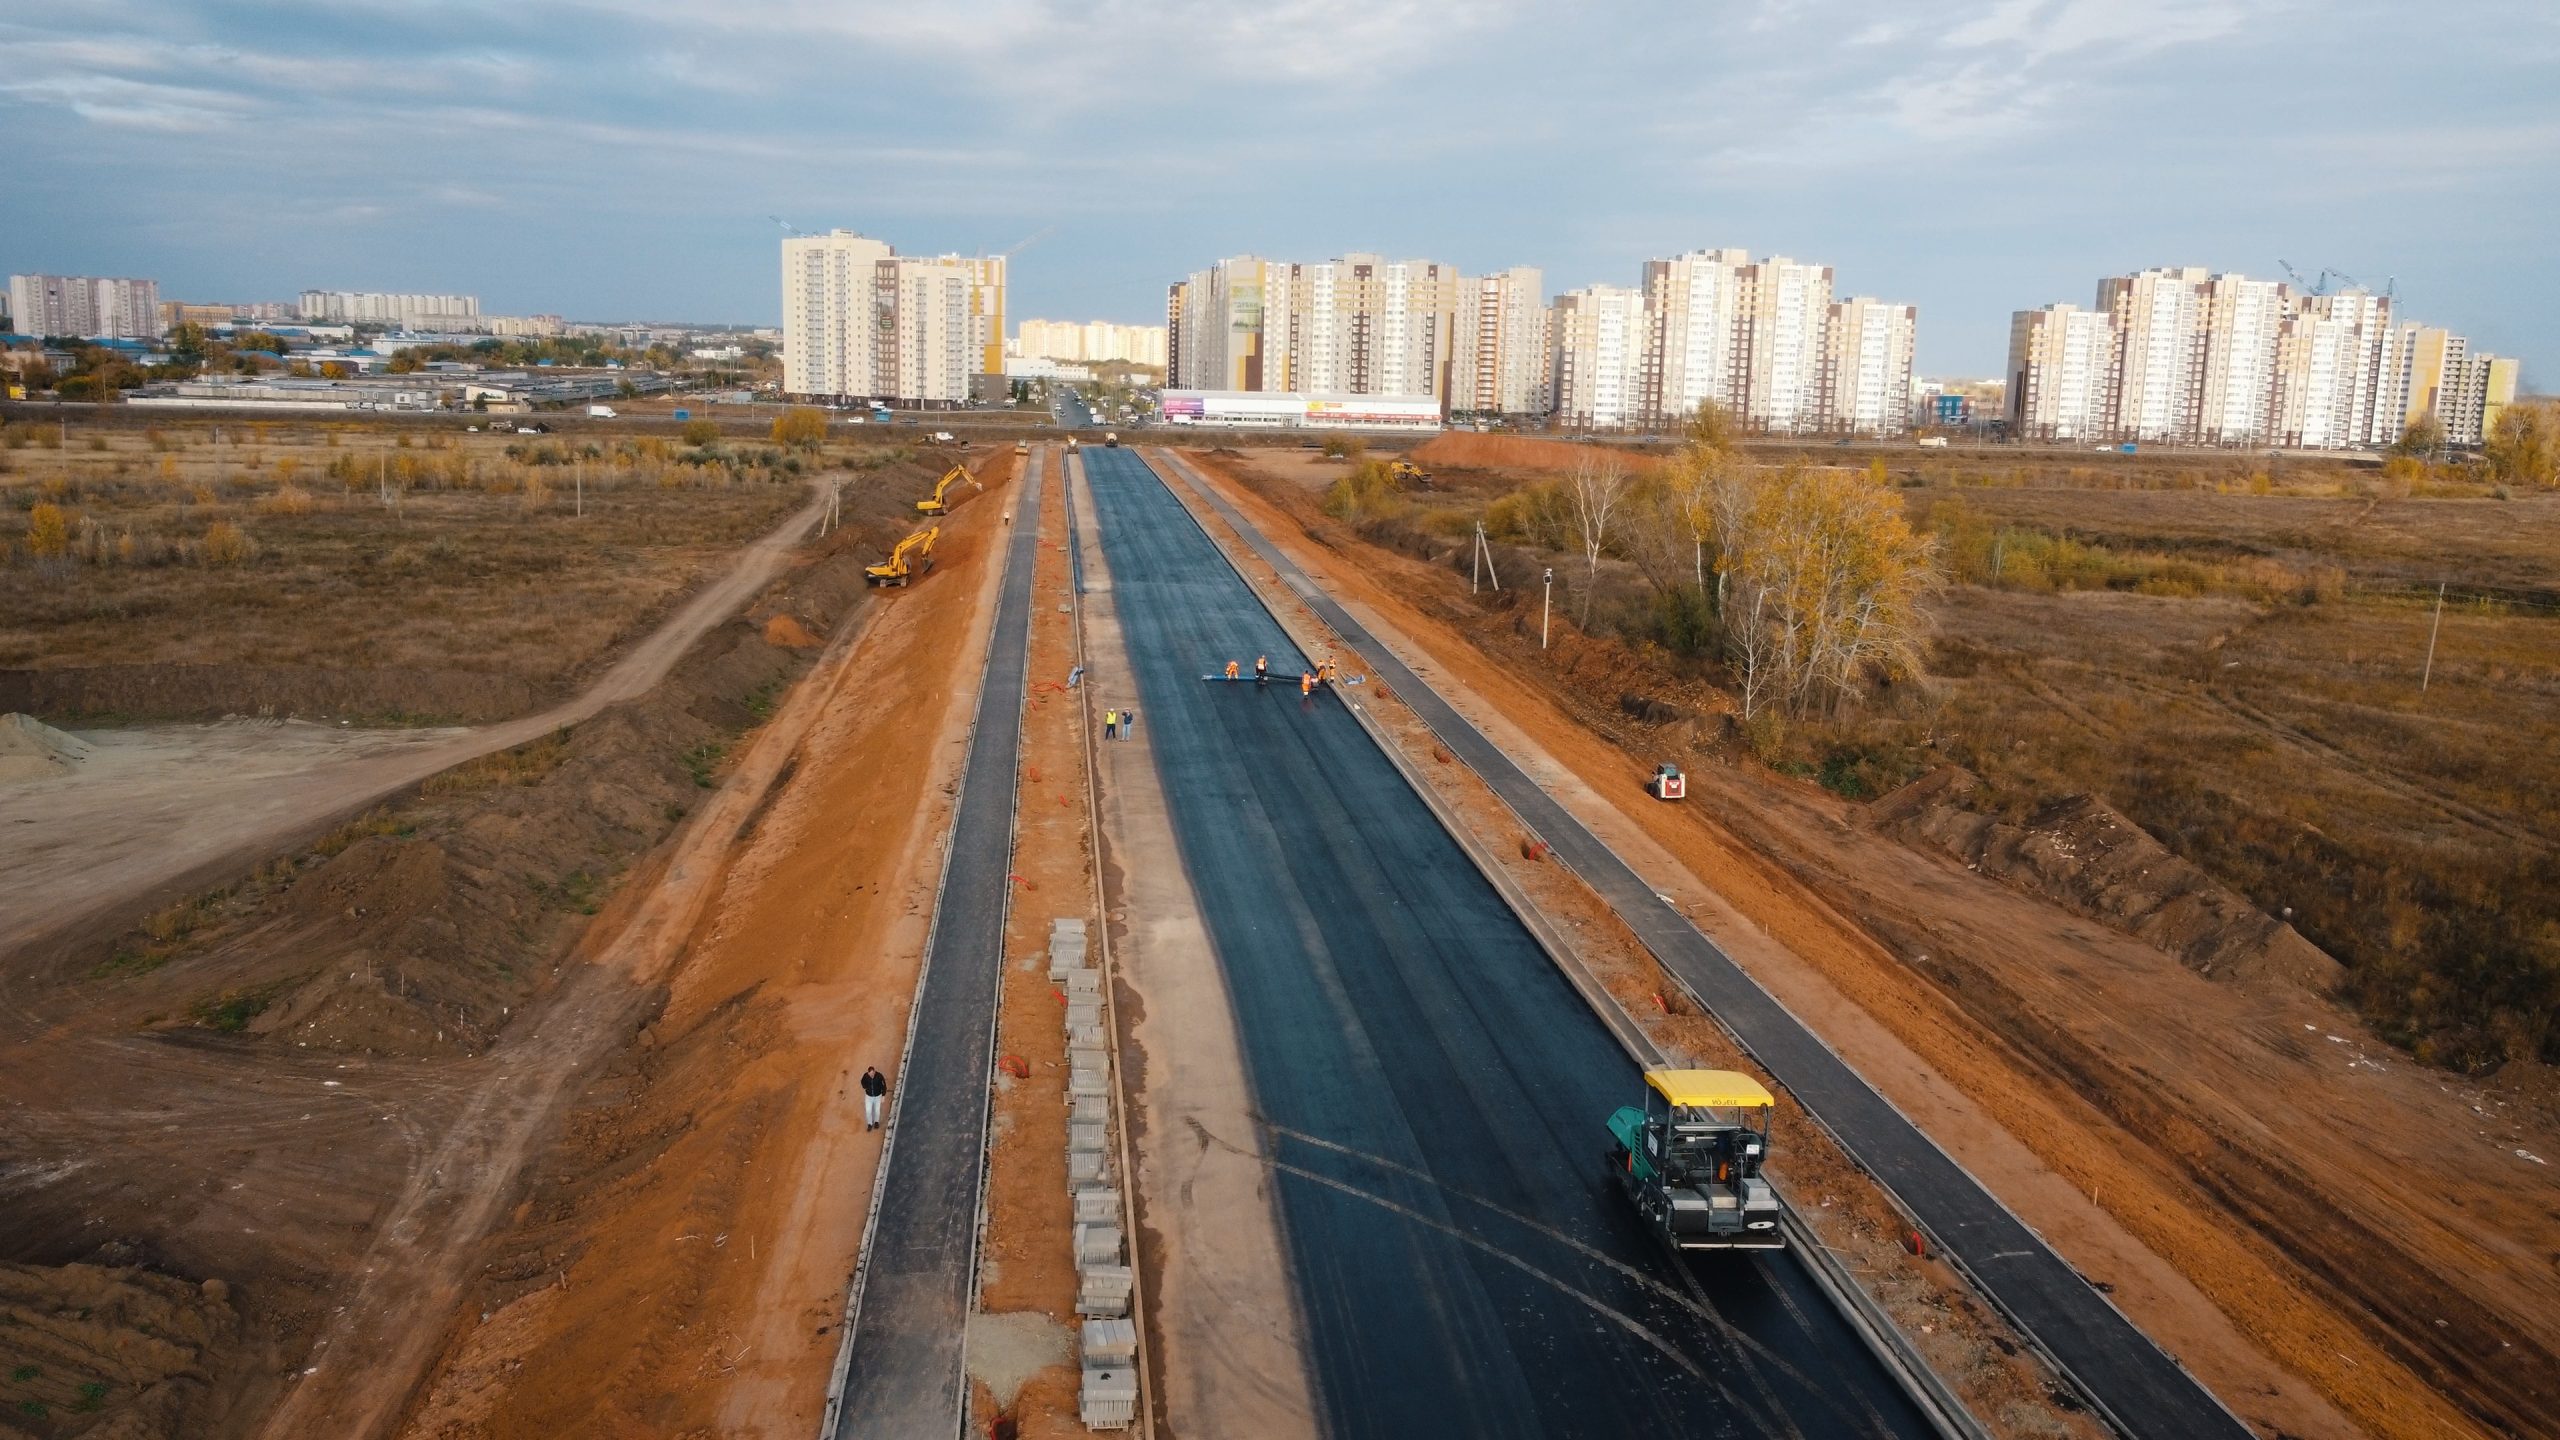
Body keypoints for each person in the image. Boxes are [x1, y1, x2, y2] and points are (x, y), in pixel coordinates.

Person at [860, 1066, 888, 1130]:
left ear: (874, 1071)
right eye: (870, 1074)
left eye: (873, 1074)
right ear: (868, 1073)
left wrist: (883, 1095)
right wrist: (865, 1087)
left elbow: (884, 1086)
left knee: (877, 1110)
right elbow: (862, 1082)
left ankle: (876, 1122)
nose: (871, 1075)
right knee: (868, 1110)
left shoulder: (879, 1076)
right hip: (868, 1097)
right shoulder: (866, 1076)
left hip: (878, 1096)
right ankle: (870, 1123)